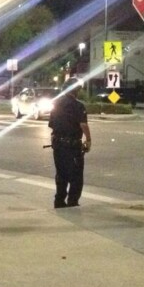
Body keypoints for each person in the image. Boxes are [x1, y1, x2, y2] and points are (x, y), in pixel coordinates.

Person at [48, 77, 92, 208]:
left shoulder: (56, 103)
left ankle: (59, 201)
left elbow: (52, 125)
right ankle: (72, 202)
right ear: (76, 90)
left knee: (61, 174)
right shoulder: (78, 106)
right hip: (72, 146)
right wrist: (88, 140)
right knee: (76, 176)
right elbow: (83, 124)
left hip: (58, 144)